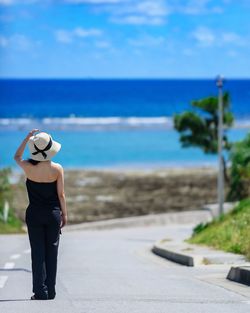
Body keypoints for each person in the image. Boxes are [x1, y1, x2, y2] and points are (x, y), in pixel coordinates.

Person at [14, 129, 67, 300]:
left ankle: (40, 291)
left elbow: (16, 157)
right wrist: (64, 215)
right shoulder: (57, 169)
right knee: (52, 252)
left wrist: (26, 139)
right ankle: (51, 291)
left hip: (34, 214)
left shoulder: (28, 167)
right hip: (53, 214)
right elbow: (61, 195)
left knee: (37, 253)